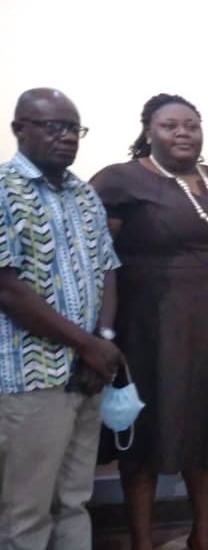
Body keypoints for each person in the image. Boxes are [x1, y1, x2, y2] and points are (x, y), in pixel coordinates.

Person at [90, 93, 208, 550]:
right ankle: (141, 540)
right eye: (170, 125)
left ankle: (203, 532)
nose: (183, 132)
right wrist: (101, 332)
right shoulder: (119, 181)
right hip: (149, 332)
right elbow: (94, 260)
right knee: (145, 435)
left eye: (191, 124)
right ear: (148, 131)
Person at [0, 88, 123, 549]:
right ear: (20, 129)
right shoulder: (3, 189)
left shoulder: (83, 193)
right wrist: (89, 346)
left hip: (87, 373)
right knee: (25, 510)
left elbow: (109, 269)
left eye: (74, 128)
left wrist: (103, 340)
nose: (68, 137)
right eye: (54, 126)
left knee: (74, 500)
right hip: (30, 378)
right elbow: (8, 289)